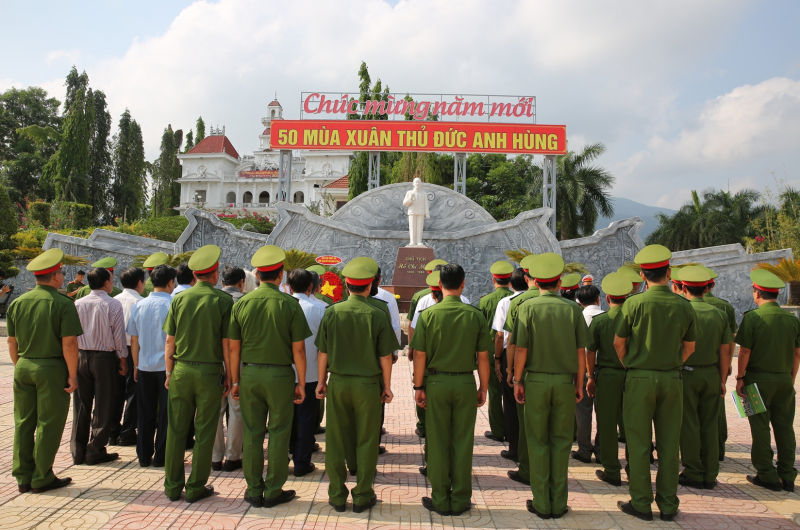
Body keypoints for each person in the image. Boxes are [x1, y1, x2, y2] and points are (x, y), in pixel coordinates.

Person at [614, 244, 697, 522]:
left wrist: (634, 366)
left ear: (642, 274)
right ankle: (668, 504)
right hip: (672, 378)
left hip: (639, 377)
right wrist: (670, 363)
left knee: (638, 442)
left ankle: (641, 501)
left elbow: (619, 343)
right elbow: (690, 347)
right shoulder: (683, 305)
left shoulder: (633, 303)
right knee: (669, 443)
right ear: (669, 273)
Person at [229, 246, 312, 508]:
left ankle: (254, 489)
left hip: (250, 373)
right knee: (278, 432)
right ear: (280, 276)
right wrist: (301, 382)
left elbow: (233, 347)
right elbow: (298, 349)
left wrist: (234, 381)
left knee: (252, 433)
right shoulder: (290, 304)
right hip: (280, 376)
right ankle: (274, 488)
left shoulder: (241, 303)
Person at [315, 257, 399, 513]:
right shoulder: (378, 312)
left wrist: (321, 382)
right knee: (367, 438)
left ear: (346, 285)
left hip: (339, 383)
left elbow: (323, 353)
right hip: (368, 384)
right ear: (371, 284)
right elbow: (386, 356)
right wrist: (387, 385)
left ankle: (337, 494)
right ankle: (362, 494)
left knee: (336, 439)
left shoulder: (332, 312)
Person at [411, 264, 492, 516]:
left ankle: (439, 498)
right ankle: (460, 498)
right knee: (462, 441)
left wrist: (418, 386)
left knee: (436, 440)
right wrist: (483, 388)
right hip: (465, 383)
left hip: (436, 383)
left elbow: (420, 356)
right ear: (463, 284)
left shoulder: (428, 315)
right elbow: (483, 358)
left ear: (439, 284)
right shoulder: (475, 315)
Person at [512, 252, 588, 520]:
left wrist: (517, 380)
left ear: (534, 281)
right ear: (559, 282)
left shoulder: (527, 308)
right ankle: (559, 502)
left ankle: (542, 502)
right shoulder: (573, 309)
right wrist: (580, 383)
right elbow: (581, 352)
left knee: (537, 440)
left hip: (535, 381)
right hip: (565, 382)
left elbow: (520, 350)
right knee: (561, 441)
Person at [163, 245, 234, 503]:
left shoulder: (179, 299)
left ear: (195, 275)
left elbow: (170, 340)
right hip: (209, 372)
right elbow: (227, 343)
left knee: (176, 430)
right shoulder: (223, 300)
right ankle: (195, 487)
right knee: (205, 431)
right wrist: (229, 375)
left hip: (181, 370)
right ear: (214, 273)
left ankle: (172, 486)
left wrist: (169, 372)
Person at [8, 249, 81, 493]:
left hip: (24, 365)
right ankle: (42, 476)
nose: (63, 275)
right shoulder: (62, 304)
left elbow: (11, 342)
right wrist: (72, 374)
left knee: (24, 421)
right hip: (51, 367)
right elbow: (69, 344)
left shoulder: (18, 303)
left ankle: (23, 476)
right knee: (48, 422)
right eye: (61, 272)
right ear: (56, 277)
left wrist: (20, 366)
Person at [736, 269, 800, 493]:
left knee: (760, 427)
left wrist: (740, 377)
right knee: (784, 427)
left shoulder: (753, 318)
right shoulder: (791, 319)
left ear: (757, 293)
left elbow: (744, 350)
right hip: (784, 380)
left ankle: (766, 474)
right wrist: (790, 378)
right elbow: (797, 353)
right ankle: (787, 474)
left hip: (756, 380)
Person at [677, 266, 733, 490]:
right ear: (706, 288)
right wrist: (721, 379)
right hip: (710, 373)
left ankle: (693, 470)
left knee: (689, 422)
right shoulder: (719, 313)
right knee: (710, 423)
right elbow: (726, 351)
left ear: (683, 287)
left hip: (686, 372)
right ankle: (710, 473)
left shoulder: (681, 311)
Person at [72, 267, 129, 465]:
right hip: (104, 359)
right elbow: (118, 336)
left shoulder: (78, 303)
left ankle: (78, 450)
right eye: (111, 279)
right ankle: (95, 449)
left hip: (80, 356)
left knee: (81, 404)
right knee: (104, 404)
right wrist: (123, 359)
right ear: (106, 283)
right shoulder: (112, 304)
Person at [586, 273, 632, 487]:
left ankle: (612, 470)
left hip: (606, 375)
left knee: (607, 424)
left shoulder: (600, 321)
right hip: (633, 374)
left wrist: (589, 377)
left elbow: (590, 352)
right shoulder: (635, 319)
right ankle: (635, 468)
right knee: (634, 425)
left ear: (606, 297)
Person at [128, 264, 176, 467]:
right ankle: (161, 456)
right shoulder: (173, 304)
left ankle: (143, 455)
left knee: (145, 412)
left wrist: (136, 365)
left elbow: (134, 338)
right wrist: (170, 370)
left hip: (145, 366)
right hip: (166, 368)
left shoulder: (139, 305)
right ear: (170, 283)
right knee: (165, 413)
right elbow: (172, 341)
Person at [502, 255, 539, 486]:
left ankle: (527, 471)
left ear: (527, 278)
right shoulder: (570, 306)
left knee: (528, 427)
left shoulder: (519, 303)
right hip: (564, 380)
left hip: (528, 376)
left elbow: (514, 343)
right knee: (559, 436)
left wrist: (513, 374)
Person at [288, 268, 325, 477]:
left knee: (284, 418)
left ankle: (286, 451)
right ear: (311, 286)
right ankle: (302, 462)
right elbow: (324, 347)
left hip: (284, 373)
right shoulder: (320, 309)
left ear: (290, 287)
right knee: (306, 418)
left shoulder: (283, 305)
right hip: (310, 373)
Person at [407, 258, 448, 439]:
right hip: (451, 357)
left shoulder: (423, 300)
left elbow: (413, 327)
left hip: (427, 354)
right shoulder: (464, 300)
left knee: (421, 386)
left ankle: (423, 426)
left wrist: (412, 348)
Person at [213, 265, 247, 472]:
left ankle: (215, 456)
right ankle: (232, 457)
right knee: (236, 408)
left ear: (222, 282)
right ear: (242, 282)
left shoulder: (213, 299)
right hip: (238, 359)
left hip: (215, 360)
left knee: (216, 410)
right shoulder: (244, 301)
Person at [492, 268, 527, 466]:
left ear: (511, 285)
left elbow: (500, 335)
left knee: (512, 403)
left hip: (511, 356)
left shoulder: (507, 302)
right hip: (535, 355)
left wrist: (499, 361)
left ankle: (515, 448)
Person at [702, 266, 737, 461]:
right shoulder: (725, 307)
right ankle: (718, 449)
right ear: (712, 285)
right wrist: (728, 365)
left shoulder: (685, 304)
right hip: (716, 366)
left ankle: (694, 455)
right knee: (717, 409)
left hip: (691, 366)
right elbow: (730, 341)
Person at [479, 261, 514, 444]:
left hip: (492, 352)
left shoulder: (485, 301)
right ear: (510, 281)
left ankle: (498, 430)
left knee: (494, 391)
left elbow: (482, 329)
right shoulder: (516, 299)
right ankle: (512, 429)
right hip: (513, 351)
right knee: (512, 391)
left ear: (494, 280)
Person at [111, 267, 145, 447]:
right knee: (133, 391)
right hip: (133, 350)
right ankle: (127, 432)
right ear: (140, 282)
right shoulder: (140, 302)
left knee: (115, 392)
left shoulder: (113, 300)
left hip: (114, 351)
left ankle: (112, 431)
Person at [572, 284, 603, 464]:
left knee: (583, 411)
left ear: (579, 301)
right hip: (603, 369)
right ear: (598, 299)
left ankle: (584, 449)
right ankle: (601, 450)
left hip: (582, 369)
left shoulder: (578, 317)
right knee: (604, 413)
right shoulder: (607, 317)